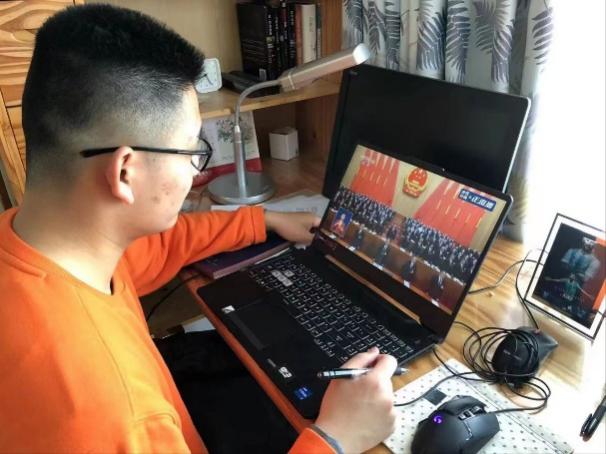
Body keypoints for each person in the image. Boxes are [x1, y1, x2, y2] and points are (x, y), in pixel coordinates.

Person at [0, 5, 397, 453]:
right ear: (125, 172)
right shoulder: (117, 416)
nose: (195, 171)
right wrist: (337, 437)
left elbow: (161, 245)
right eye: (192, 151)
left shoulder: (38, 243)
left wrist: (263, 219)